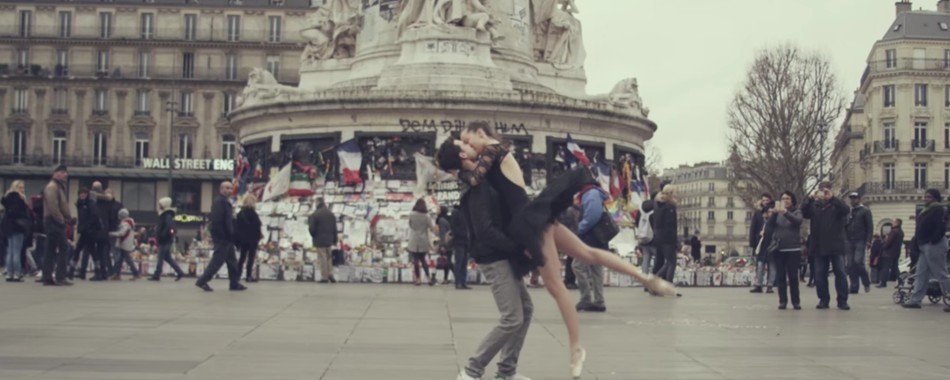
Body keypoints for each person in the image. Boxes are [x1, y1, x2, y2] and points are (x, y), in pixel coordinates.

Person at [436, 122, 675, 378]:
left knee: (552, 291)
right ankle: (643, 278)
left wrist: (457, 168)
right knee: (581, 259)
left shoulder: (490, 157)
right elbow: (478, 189)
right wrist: (457, 166)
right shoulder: (486, 169)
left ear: (480, 135)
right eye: (464, 144)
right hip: (528, 225)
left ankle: (563, 353)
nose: (468, 144)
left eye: (468, 139)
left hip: (529, 225)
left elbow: (477, 172)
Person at [455, 152, 533, 380]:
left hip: (501, 255)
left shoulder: (481, 180)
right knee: (512, 317)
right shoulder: (477, 187)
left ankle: (506, 371)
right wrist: (518, 248)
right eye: (464, 146)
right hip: (494, 258)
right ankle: (472, 370)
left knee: (526, 309)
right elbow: (485, 231)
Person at [802, 182, 850, 310]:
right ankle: (823, 299)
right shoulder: (814, 205)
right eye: (822, 190)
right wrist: (810, 199)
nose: (824, 193)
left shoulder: (837, 204)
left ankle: (842, 300)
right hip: (818, 245)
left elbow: (846, 210)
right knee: (819, 274)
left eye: (827, 190)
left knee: (840, 272)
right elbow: (804, 213)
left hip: (836, 244)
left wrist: (833, 198)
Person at [902, 189, 950, 309]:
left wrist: (933, 240)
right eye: (925, 196)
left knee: (941, 274)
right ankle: (915, 300)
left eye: (929, 197)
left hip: (934, 245)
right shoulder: (926, 210)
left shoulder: (938, 209)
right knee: (921, 274)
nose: (925, 198)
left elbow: (941, 226)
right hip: (924, 245)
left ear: (935, 198)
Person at [195, 181, 245, 292]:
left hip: (228, 237)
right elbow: (217, 221)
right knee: (217, 261)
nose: (229, 190)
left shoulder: (225, 202)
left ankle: (234, 283)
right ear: (221, 189)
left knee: (232, 262)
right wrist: (223, 235)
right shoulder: (219, 202)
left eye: (231, 188)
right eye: (227, 188)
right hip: (223, 237)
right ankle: (202, 281)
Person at [573, 183, 609, 312]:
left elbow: (592, 217)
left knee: (577, 266)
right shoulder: (593, 193)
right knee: (596, 269)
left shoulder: (591, 193)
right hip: (597, 238)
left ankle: (586, 299)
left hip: (591, 238)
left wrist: (577, 230)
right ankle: (599, 301)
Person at [765, 191, 803, 310]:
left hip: (793, 249)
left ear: (792, 201)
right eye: (783, 198)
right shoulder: (777, 214)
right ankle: (782, 301)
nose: (785, 200)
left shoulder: (796, 211)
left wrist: (785, 212)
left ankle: (795, 301)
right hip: (779, 249)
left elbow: (798, 221)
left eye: (787, 198)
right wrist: (774, 214)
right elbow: (769, 226)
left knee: (793, 277)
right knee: (780, 277)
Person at [42, 165, 73, 286]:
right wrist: (61, 219)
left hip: (52, 220)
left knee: (50, 248)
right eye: (63, 172)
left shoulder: (57, 186)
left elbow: (61, 205)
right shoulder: (52, 186)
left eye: (66, 172)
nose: (66, 174)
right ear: (55, 173)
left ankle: (47, 277)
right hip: (53, 221)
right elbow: (52, 205)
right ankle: (60, 277)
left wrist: (68, 218)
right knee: (64, 247)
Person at [845, 192, 873, 294]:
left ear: (859, 199)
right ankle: (854, 286)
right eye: (851, 198)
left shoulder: (865, 210)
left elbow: (870, 226)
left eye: (855, 198)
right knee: (850, 264)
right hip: (849, 240)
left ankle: (866, 282)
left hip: (860, 240)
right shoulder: (849, 211)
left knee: (858, 262)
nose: (852, 200)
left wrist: (869, 240)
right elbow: (845, 226)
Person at [2, 180, 30, 282]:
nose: (23, 189)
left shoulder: (7, 198)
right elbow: (21, 213)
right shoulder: (20, 199)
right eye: (21, 187)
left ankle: (9, 273)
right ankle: (17, 274)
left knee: (10, 251)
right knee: (17, 251)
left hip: (8, 226)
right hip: (18, 226)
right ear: (16, 187)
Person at [150, 197, 184, 281]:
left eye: (160, 204)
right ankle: (180, 272)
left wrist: (162, 235)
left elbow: (169, 227)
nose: (159, 206)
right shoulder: (167, 215)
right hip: (166, 239)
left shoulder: (166, 216)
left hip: (164, 240)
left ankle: (157, 274)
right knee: (167, 258)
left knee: (160, 257)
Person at [653, 186, 679, 287]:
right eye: (675, 192)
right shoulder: (670, 206)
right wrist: (675, 241)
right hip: (668, 239)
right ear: (670, 193)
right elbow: (670, 225)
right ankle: (665, 285)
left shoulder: (658, 204)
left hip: (659, 237)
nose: (676, 194)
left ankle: (655, 283)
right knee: (672, 263)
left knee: (668, 262)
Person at [749, 193, 775, 293]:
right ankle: (758, 285)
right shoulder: (758, 213)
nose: (765, 202)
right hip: (760, 242)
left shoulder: (774, 212)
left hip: (771, 242)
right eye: (763, 200)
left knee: (772, 264)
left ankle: (770, 285)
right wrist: (752, 243)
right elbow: (753, 228)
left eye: (767, 200)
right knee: (760, 265)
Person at [308, 197, 338, 283]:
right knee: (329, 257)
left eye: (315, 202)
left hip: (319, 239)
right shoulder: (331, 214)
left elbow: (311, 228)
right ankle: (330, 274)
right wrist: (335, 240)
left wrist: (314, 236)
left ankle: (324, 277)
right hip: (329, 239)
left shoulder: (315, 214)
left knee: (322, 258)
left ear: (317, 202)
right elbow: (334, 228)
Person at [235, 194, 264, 283]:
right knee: (251, 258)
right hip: (252, 240)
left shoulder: (240, 213)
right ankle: (248, 276)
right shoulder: (253, 214)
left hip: (243, 239)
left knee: (242, 258)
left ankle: (237, 275)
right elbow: (257, 226)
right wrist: (259, 236)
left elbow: (237, 227)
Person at [408, 198, 436, 286]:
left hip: (413, 239)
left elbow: (410, 225)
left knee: (415, 260)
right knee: (423, 260)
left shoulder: (411, 214)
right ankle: (428, 278)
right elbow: (431, 227)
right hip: (423, 239)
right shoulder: (427, 216)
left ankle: (418, 279)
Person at [108, 208, 140, 280]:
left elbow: (121, 233)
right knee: (121, 260)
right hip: (127, 243)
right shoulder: (130, 222)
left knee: (127, 260)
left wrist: (111, 233)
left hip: (123, 243)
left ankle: (135, 273)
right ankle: (117, 274)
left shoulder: (125, 223)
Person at [559, 202, 582, 290]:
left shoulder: (573, 210)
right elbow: (566, 223)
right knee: (572, 259)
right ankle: (569, 281)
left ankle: (569, 281)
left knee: (572, 259)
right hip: (573, 236)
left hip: (573, 236)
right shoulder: (572, 210)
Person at [449, 204, 471, 290]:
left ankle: (463, 282)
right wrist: (462, 234)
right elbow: (454, 227)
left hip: (465, 241)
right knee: (459, 262)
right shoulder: (456, 212)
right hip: (459, 241)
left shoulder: (465, 212)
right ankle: (458, 282)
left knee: (464, 263)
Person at [636, 199, 656, 292]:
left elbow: (637, 222)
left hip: (644, 239)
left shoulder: (641, 208)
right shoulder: (656, 208)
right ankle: (654, 281)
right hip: (653, 239)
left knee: (645, 260)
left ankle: (645, 283)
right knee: (657, 261)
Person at [877, 219, 904, 288]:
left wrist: (884, 246)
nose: (893, 223)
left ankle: (883, 283)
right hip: (896, 253)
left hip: (888, 253)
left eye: (894, 222)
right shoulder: (901, 232)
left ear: (897, 223)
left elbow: (889, 242)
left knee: (885, 268)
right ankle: (901, 281)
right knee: (895, 268)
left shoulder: (893, 231)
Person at [436, 206, 453, 284]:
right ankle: (446, 278)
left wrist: (442, 245)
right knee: (447, 261)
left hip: (445, 243)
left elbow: (443, 233)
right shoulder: (446, 219)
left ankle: (457, 276)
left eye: (438, 209)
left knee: (447, 262)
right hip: (449, 242)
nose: (437, 211)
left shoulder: (441, 220)